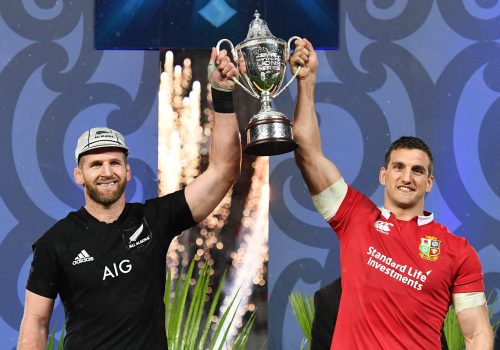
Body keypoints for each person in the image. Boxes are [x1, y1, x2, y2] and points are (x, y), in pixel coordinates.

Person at [17, 48, 241, 349]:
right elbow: (36, 321)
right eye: (95, 164)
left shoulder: (154, 219)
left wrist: (223, 94)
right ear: (79, 175)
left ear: (128, 170)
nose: (106, 171)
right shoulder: (54, 243)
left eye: (114, 162)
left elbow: (223, 171)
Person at [290, 38, 493, 349]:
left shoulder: (458, 252)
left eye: (417, 170)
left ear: (429, 183)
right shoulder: (354, 216)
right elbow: (306, 149)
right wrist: (307, 82)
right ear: (383, 175)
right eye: (398, 167)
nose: (407, 177)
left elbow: (477, 334)